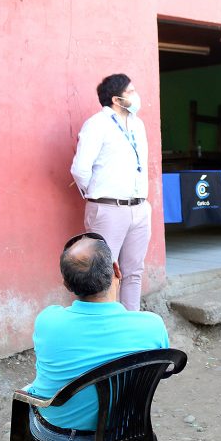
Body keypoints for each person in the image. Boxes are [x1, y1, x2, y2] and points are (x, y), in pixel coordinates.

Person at [27, 233, 169, 441]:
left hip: (61, 435)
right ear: (117, 270)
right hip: (126, 430)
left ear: (66, 284)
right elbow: (163, 371)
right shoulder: (151, 325)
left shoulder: (48, 321)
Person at [70, 74, 151, 311]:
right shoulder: (97, 124)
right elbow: (80, 169)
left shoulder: (137, 123)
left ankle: (131, 326)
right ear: (116, 99)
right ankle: (108, 331)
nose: (137, 96)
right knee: (103, 274)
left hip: (139, 208)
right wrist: (96, 197)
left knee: (134, 271)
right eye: (132, 92)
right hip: (108, 208)